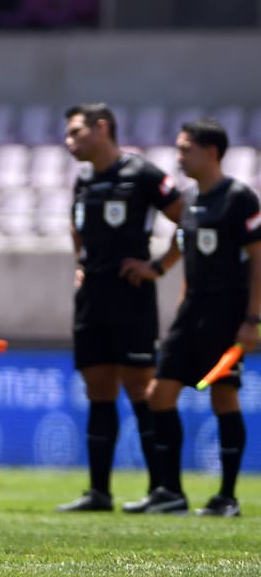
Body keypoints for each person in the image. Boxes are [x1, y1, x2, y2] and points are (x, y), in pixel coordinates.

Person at [120, 118, 261, 516]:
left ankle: (227, 497)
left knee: (223, 395)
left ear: (210, 151)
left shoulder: (239, 199)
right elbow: (182, 244)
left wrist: (253, 318)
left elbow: (258, 261)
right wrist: (156, 269)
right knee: (158, 393)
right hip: (191, 309)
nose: (178, 156)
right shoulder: (192, 198)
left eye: (185, 149)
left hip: (227, 310)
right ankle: (171, 492)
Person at [58, 103, 183, 513]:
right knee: (98, 391)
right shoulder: (83, 179)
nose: (68, 141)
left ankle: (164, 490)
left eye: (76, 132)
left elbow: (191, 220)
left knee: (141, 389)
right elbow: (76, 228)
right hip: (92, 298)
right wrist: (81, 263)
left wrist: (158, 267)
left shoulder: (142, 173)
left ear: (102, 127)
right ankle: (99, 492)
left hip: (131, 297)